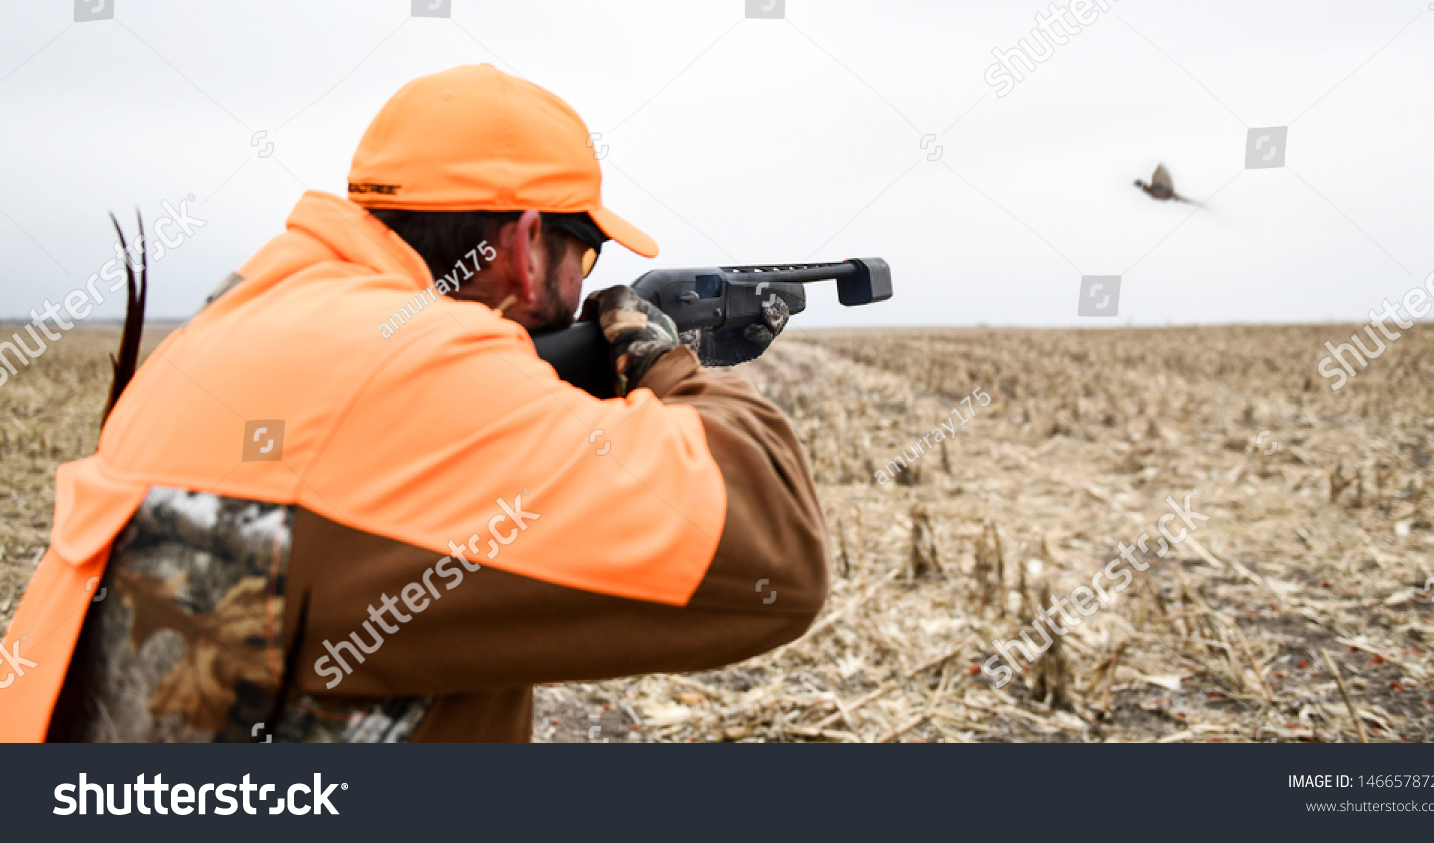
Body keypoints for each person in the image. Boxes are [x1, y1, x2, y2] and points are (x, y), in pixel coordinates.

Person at [1, 64, 827, 742]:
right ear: (524, 246)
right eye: (588, 251)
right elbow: (775, 557)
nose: (587, 285)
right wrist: (659, 356)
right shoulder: (414, 365)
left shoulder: (239, 325)